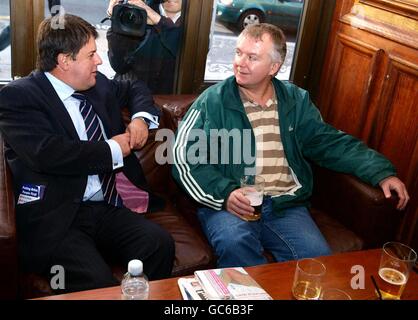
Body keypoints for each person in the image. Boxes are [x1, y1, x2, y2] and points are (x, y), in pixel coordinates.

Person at [172, 23, 409, 268]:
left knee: (317, 263)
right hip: (231, 204)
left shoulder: (295, 100)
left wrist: (381, 172)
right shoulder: (213, 101)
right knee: (236, 244)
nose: (240, 63)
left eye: (252, 57)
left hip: (285, 204)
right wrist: (225, 194)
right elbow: (184, 156)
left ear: (274, 67)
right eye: (238, 52)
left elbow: (329, 142)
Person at [0, 14, 174, 293]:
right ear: (64, 61)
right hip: (58, 215)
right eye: (91, 54)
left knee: (159, 244)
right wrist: (114, 148)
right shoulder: (19, 97)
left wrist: (141, 118)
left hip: (104, 206)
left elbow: (133, 86)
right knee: (96, 282)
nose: (99, 61)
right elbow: (48, 154)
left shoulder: (96, 85)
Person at [106, 0, 183, 94]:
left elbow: (188, 56)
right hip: (132, 94)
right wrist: (117, 19)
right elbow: (119, 65)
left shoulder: (197, 22)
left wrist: (159, 22)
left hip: (171, 101)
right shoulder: (137, 13)